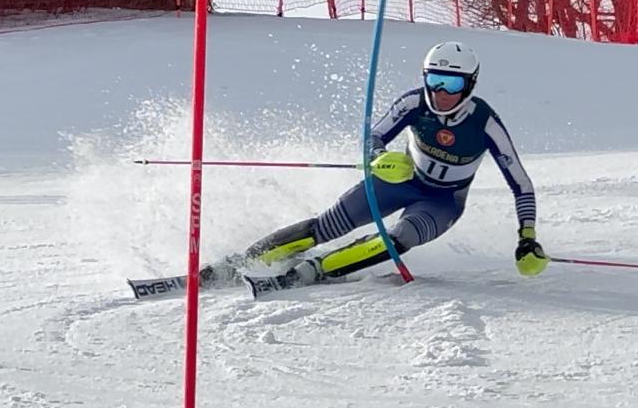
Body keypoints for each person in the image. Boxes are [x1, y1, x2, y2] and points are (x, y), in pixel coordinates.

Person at [204, 41, 547, 291]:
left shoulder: (485, 122)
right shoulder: (414, 102)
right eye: (434, 80)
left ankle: (315, 270)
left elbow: (521, 184)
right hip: (400, 182)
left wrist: (527, 237)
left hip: (442, 202)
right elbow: (374, 136)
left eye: (452, 84)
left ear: (469, 85)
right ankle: (244, 260)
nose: (441, 92)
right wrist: (378, 157)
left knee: (402, 236)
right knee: (328, 225)